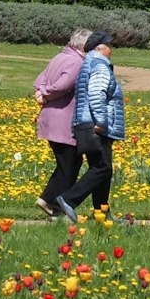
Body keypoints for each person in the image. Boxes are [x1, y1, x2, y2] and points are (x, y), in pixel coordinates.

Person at [55, 31, 124, 223]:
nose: (112, 50)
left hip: (85, 123)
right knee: (102, 167)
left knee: (101, 168)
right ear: (100, 48)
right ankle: (69, 199)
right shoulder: (100, 65)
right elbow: (96, 94)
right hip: (95, 125)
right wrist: (101, 122)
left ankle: (101, 213)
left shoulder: (88, 64)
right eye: (110, 46)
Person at [33, 29, 93, 219]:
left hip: (50, 120)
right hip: (62, 121)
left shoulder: (59, 57)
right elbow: (63, 85)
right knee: (70, 165)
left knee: (68, 164)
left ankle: (54, 208)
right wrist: (48, 93)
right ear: (84, 46)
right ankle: (49, 200)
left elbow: (39, 79)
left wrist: (42, 92)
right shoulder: (76, 62)